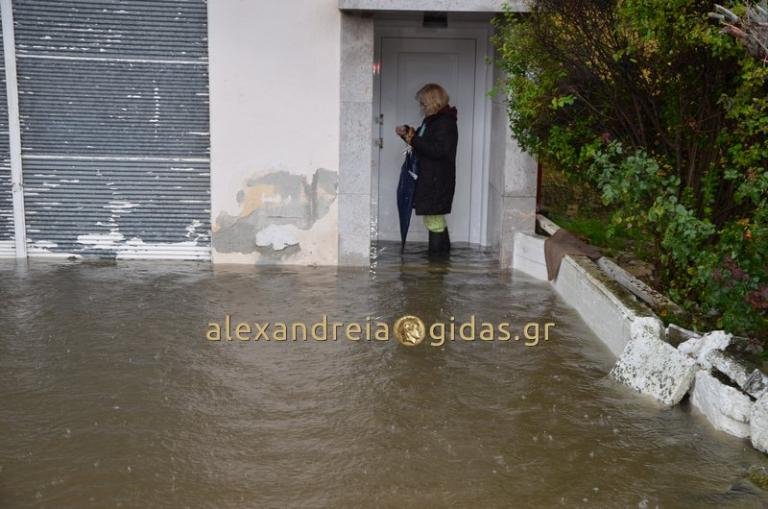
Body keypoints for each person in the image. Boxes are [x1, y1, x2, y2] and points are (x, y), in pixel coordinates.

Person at [395, 83, 458, 257]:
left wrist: (413, 138)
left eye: (423, 103)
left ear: (433, 102)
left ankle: (436, 265)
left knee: (433, 219)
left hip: (436, 179)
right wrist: (407, 134)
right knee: (435, 219)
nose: (421, 107)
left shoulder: (445, 122)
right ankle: (441, 263)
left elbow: (437, 150)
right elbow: (424, 143)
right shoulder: (434, 121)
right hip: (432, 178)